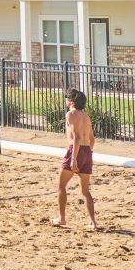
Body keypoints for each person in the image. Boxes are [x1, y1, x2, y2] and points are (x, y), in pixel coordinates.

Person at [52, 87, 96, 230]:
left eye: (66, 98)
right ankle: (92, 222)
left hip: (75, 151)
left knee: (61, 186)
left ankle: (61, 218)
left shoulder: (71, 114)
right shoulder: (86, 116)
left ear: (71, 101)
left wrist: (74, 159)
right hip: (87, 151)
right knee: (85, 190)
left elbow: (76, 137)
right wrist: (86, 154)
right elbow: (92, 139)